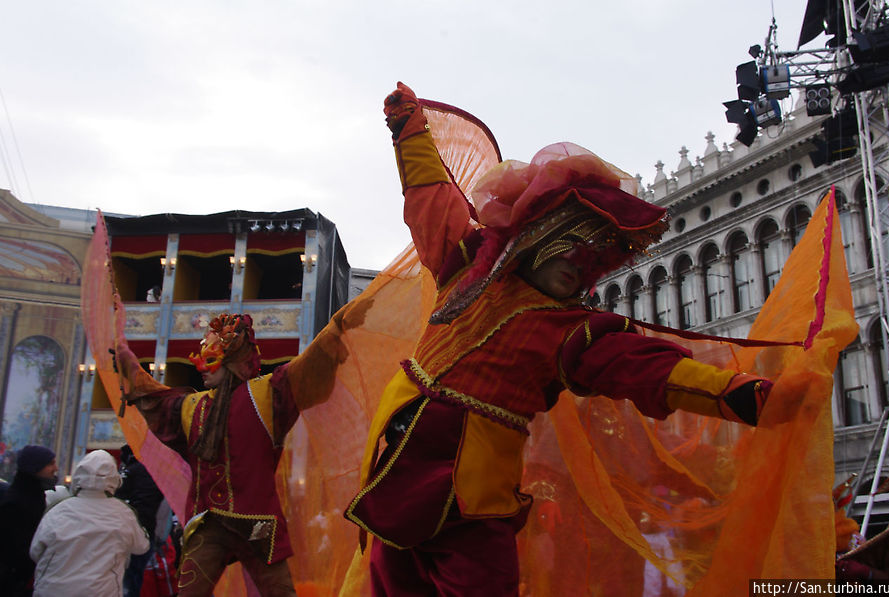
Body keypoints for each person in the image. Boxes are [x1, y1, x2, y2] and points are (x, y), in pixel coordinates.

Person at [343, 83, 776, 596]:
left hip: (475, 493)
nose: (580, 265)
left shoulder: (572, 330)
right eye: (571, 247)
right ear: (538, 237)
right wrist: (410, 134)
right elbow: (432, 201)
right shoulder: (468, 266)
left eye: (593, 259)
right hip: (396, 466)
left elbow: (642, 366)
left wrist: (732, 393)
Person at [115, 311, 358, 597]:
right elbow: (154, 396)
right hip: (207, 524)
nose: (201, 369)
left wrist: (334, 330)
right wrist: (127, 362)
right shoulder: (192, 406)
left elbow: (305, 368)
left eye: (210, 360)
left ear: (231, 362)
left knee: (280, 593)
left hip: (257, 525)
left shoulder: (266, 394)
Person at [29, 450, 149, 597]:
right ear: (114, 479)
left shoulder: (59, 509)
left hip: (52, 590)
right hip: (101, 591)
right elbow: (141, 547)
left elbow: (36, 550)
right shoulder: (124, 513)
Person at [0, 444, 58, 597]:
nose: (55, 468)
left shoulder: (32, 495)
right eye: (50, 463)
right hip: (15, 581)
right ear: (35, 467)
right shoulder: (16, 502)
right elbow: (14, 548)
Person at [115, 443, 164, 597]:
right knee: (138, 576)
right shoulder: (154, 471)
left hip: (127, 530)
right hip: (147, 529)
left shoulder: (129, 472)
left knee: (128, 577)